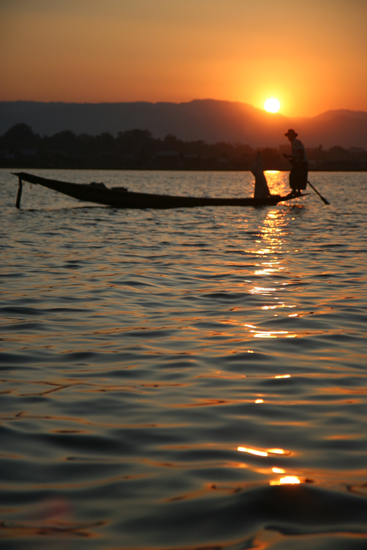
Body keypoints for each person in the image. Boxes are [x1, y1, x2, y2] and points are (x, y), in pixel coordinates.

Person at [283, 129, 308, 194]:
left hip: (302, 162)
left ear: (292, 136)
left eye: (289, 136)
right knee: (295, 176)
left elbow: (301, 152)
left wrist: (300, 162)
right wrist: (288, 156)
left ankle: (297, 191)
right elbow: (295, 155)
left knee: (295, 176)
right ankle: (295, 191)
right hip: (299, 162)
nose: (288, 137)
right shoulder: (293, 143)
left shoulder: (296, 142)